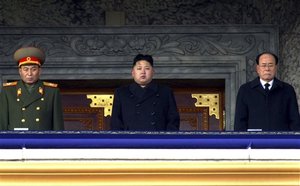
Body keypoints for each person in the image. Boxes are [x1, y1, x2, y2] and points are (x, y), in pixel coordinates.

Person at [0, 46, 64, 130]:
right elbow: (2, 124)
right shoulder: (8, 91)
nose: (29, 73)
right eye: (25, 69)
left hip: (42, 141)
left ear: (40, 71)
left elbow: (58, 125)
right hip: (16, 141)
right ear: (20, 71)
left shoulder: (52, 91)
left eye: (33, 69)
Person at [111, 54, 180, 131]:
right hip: (130, 140)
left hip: (157, 140)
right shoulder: (121, 93)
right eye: (139, 68)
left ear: (153, 72)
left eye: (147, 68)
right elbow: (116, 122)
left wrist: (166, 140)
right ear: (133, 72)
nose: (143, 72)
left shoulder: (165, 92)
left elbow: (173, 120)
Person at [234, 51, 300, 131]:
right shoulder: (245, 90)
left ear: (276, 68)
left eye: (270, 65)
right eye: (263, 65)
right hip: (253, 141)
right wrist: (242, 142)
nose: (267, 69)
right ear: (257, 68)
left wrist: (293, 141)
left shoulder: (287, 89)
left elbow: (294, 120)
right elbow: (240, 121)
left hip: (281, 141)